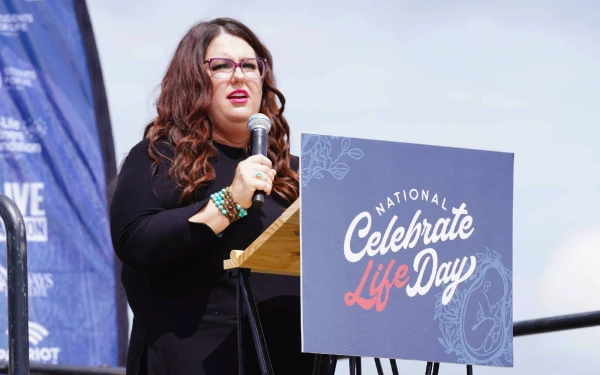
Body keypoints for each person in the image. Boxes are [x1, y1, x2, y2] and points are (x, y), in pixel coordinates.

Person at [109, 17, 326, 375]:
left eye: (250, 65)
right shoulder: (160, 157)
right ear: (193, 80)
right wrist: (229, 202)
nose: (238, 76)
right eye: (221, 66)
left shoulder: (300, 175)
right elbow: (135, 241)